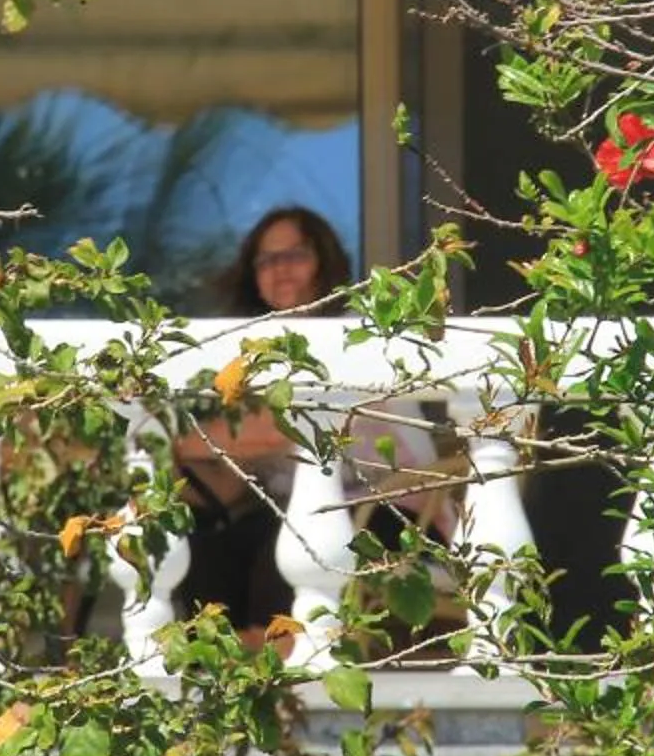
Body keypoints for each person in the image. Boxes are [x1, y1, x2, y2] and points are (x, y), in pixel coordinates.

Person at [167, 208, 450, 645]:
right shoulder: (260, 355)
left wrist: (175, 444)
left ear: (325, 262)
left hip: (395, 511)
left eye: (294, 255)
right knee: (211, 550)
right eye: (265, 260)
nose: (279, 269)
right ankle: (224, 668)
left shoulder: (348, 334)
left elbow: (273, 432)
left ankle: (279, 678)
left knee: (283, 549)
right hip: (315, 511)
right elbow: (233, 479)